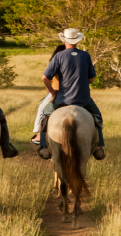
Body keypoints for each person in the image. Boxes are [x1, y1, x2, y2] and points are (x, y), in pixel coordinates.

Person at [37, 28, 105, 161]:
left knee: (45, 115)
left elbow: (45, 77)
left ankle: (44, 147)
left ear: (63, 40)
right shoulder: (85, 55)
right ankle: (98, 147)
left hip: (63, 99)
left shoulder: (59, 56)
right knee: (98, 117)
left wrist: (51, 91)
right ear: (78, 41)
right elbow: (91, 79)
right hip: (84, 99)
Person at [32, 44, 65, 143]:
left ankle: (39, 134)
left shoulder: (55, 63)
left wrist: (51, 91)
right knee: (95, 114)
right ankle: (98, 142)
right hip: (76, 93)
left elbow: (46, 79)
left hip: (57, 92)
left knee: (42, 108)